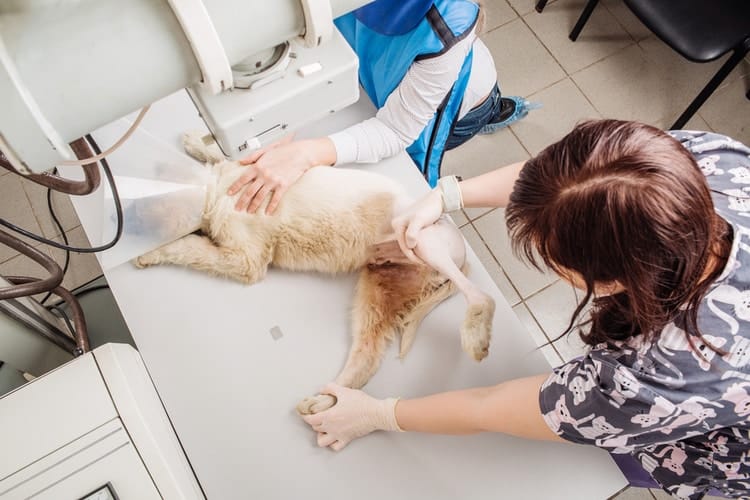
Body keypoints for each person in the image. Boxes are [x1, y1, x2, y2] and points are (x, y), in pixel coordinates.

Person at [299, 119, 750, 499]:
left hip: (711, 433)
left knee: (618, 465)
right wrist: (448, 194)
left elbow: (488, 406)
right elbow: (568, 185)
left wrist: (378, 414)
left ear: (612, 281)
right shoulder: (710, 162)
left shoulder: (651, 382)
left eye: (552, 259)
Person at [228, 0, 538, 215]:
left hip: (465, 105)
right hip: (381, 76)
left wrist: (305, 154)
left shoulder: (448, 25)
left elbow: (394, 129)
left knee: (462, 122)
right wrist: (293, 119)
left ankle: (497, 111)